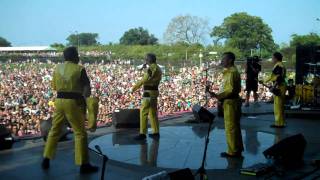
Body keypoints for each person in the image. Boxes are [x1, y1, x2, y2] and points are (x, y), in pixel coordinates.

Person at [41, 47, 99, 173]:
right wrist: (87, 103)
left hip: (59, 101)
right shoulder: (79, 69)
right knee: (80, 133)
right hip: (74, 102)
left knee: (54, 130)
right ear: (74, 56)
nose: (78, 57)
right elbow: (87, 89)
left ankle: (46, 157)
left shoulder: (57, 68)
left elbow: (55, 87)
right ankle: (84, 165)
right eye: (77, 55)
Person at [206, 52, 243, 158]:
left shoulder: (232, 72)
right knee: (234, 127)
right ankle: (237, 148)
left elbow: (230, 90)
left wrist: (218, 96)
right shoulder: (229, 72)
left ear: (230, 60)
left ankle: (233, 151)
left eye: (224, 59)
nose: (222, 61)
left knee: (231, 127)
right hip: (230, 102)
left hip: (231, 102)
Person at [131, 53, 162, 140]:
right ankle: (156, 132)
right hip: (155, 92)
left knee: (143, 112)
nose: (145, 61)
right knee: (153, 113)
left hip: (148, 93)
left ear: (148, 60)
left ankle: (142, 133)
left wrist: (134, 88)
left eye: (146, 59)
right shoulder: (158, 68)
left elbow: (144, 79)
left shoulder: (151, 68)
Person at [263, 52, 286, 128]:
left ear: (276, 58)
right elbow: (273, 76)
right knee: (279, 105)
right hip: (280, 86)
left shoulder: (279, 65)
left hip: (279, 86)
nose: (272, 59)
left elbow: (279, 77)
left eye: (272, 58)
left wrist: (274, 86)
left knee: (278, 106)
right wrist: (264, 81)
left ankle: (279, 123)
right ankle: (280, 122)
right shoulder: (279, 65)